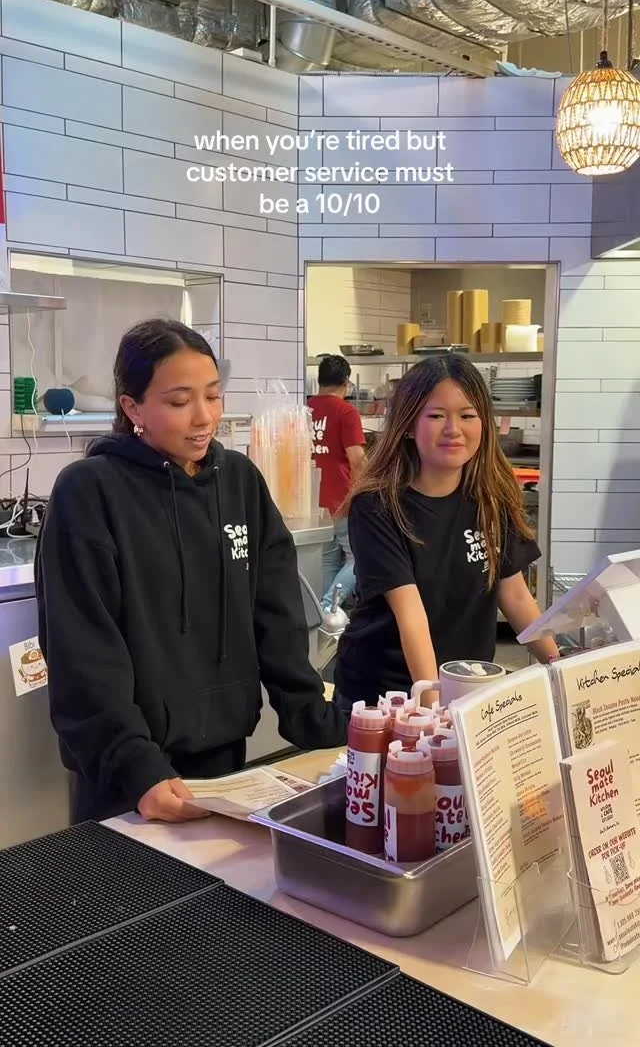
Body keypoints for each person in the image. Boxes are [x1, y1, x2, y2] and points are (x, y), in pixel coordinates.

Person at [35, 319, 347, 825]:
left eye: (213, 396)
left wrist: (315, 719)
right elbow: (82, 652)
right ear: (132, 407)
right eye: (180, 402)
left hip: (226, 762)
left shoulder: (239, 480)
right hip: (128, 781)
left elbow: (276, 616)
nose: (204, 417)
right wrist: (137, 771)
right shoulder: (89, 492)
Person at [333, 353, 558, 708]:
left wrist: (561, 669)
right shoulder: (378, 505)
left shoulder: (491, 497)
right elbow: (411, 615)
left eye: (467, 416)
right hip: (386, 694)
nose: (454, 429)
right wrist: (433, 708)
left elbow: (515, 596)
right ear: (408, 424)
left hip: (469, 686)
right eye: (436, 416)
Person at [307, 355, 365, 610]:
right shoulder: (346, 412)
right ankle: (328, 606)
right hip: (342, 499)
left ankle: (324, 619)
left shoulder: (306, 408)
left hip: (313, 501)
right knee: (360, 558)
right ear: (346, 383)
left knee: (328, 560)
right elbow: (357, 459)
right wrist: (367, 492)